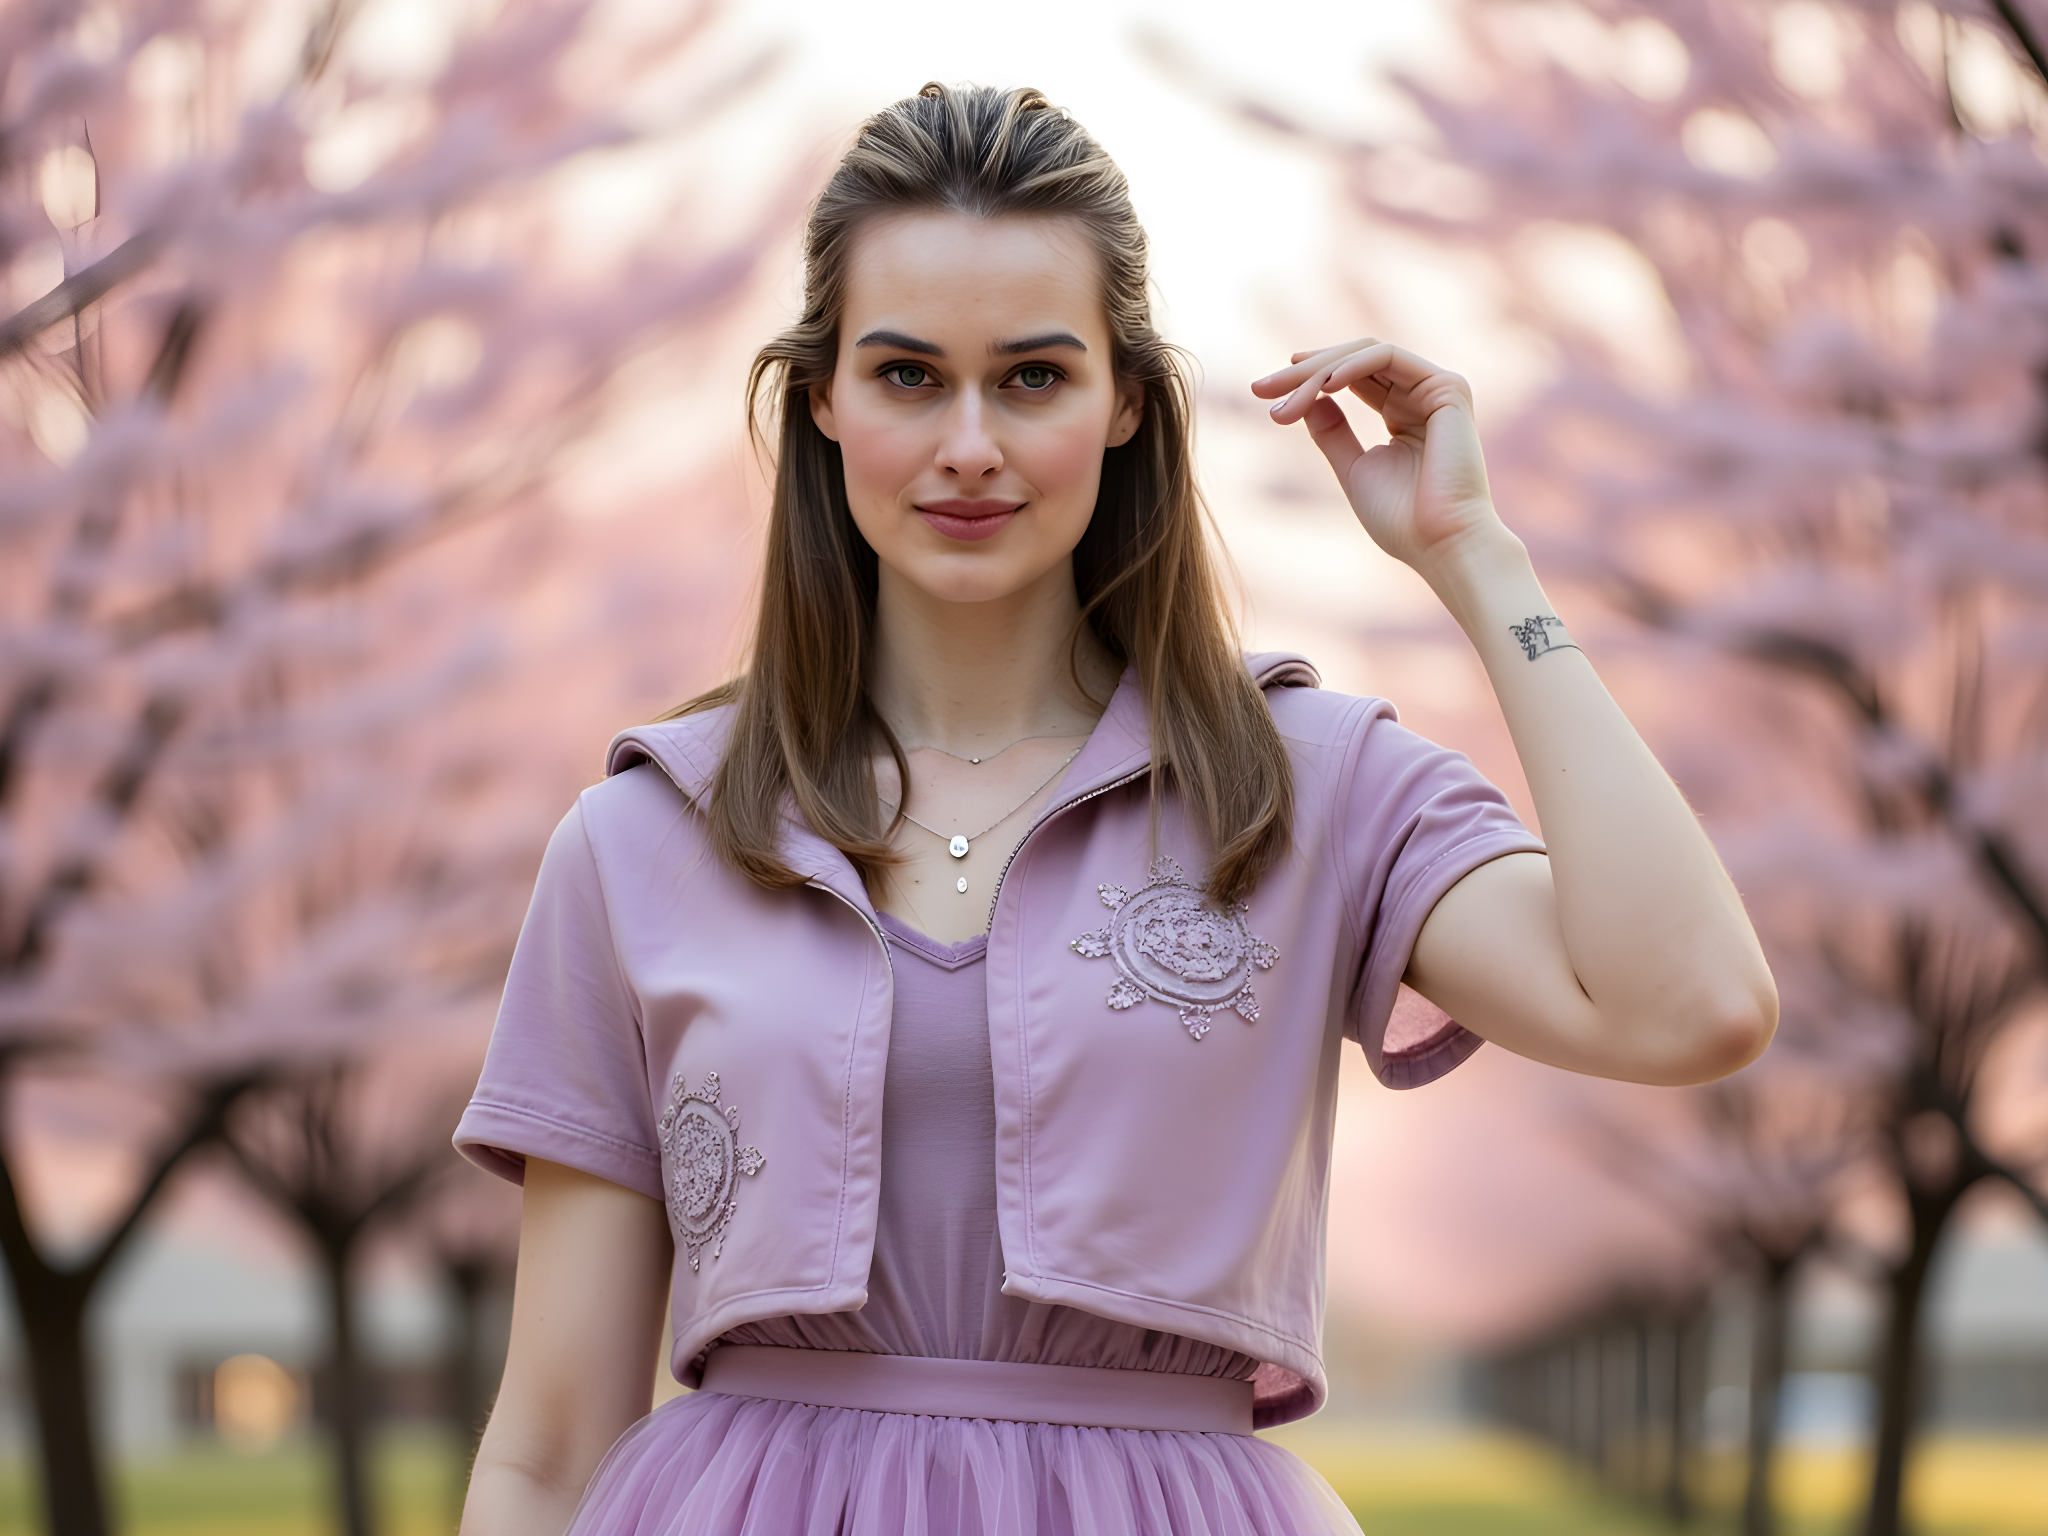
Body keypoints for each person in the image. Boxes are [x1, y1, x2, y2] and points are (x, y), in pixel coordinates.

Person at [452, 83, 1776, 1536]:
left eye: (1032, 377)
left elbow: (1690, 1003)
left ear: (1127, 397)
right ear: (819, 398)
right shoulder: (649, 836)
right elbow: (554, 1436)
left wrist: (1482, 562)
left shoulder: (1305, 785)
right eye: (906, 376)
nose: (970, 443)